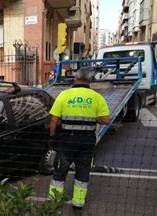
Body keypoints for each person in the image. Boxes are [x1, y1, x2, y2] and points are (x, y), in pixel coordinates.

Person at [47, 67, 110, 212]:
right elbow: (106, 120)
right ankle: (78, 205)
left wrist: (52, 137)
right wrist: (91, 119)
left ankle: (54, 203)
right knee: (82, 172)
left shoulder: (64, 95)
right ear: (90, 81)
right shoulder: (96, 97)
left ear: (74, 79)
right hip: (87, 141)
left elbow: (54, 119)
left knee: (59, 171)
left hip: (66, 140)